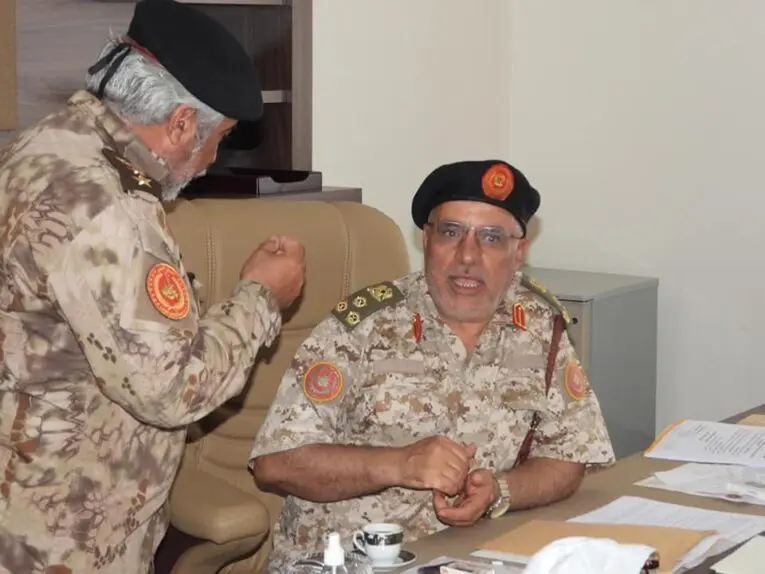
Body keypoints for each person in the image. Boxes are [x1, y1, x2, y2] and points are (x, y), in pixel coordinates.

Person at [0, 1, 305, 572]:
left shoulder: (42, 147)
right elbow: (171, 391)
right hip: (63, 538)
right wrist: (261, 297)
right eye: (220, 138)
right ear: (181, 123)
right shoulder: (108, 209)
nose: (212, 159)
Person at [249, 159, 616, 571]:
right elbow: (275, 463)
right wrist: (399, 463)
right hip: (348, 564)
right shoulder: (362, 328)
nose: (468, 256)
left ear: (519, 253)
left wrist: (499, 491)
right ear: (426, 240)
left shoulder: (539, 326)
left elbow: (569, 456)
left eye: (492, 238)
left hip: (470, 560)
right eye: (451, 232)